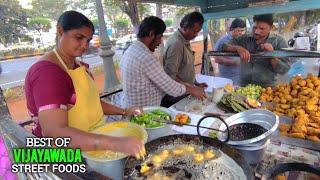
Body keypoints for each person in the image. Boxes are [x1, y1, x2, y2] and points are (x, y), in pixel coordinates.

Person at [24, 11, 143, 157]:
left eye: (88, 40)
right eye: (79, 37)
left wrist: (124, 111)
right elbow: (54, 132)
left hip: (94, 143)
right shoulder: (47, 73)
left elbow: (91, 102)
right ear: (60, 31)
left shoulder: (79, 66)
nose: (85, 45)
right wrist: (114, 143)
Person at [120, 16, 205, 108]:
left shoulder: (130, 50)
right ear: (151, 34)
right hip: (144, 112)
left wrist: (193, 85)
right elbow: (171, 87)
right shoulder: (146, 57)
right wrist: (193, 90)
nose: (160, 42)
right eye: (159, 37)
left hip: (133, 107)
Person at [222, 14, 290, 87]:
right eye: (254, 27)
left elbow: (284, 70)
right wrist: (237, 48)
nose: (256, 32)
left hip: (268, 89)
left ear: (271, 28)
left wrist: (271, 55)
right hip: (245, 86)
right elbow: (224, 46)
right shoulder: (244, 38)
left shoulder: (279, 41)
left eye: (262, 29)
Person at [161, 11, 208, 107]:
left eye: (198, 32)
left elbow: (185, 68)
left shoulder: (185, 40)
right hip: (175, 98)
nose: (196, 35)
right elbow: (170, 76)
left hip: (186, 92)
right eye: (194, 31)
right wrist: (192, 88)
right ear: (185, 27)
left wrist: (196, 84)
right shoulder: (176, 44)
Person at [214, 18, 246, 85]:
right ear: (232, 29)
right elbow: (217, 59)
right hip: (227, 78)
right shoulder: (223, 41)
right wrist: (234, 62)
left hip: (241, 77)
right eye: (238, 30)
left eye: (242, 30)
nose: (241, 33)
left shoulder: (242, 40)